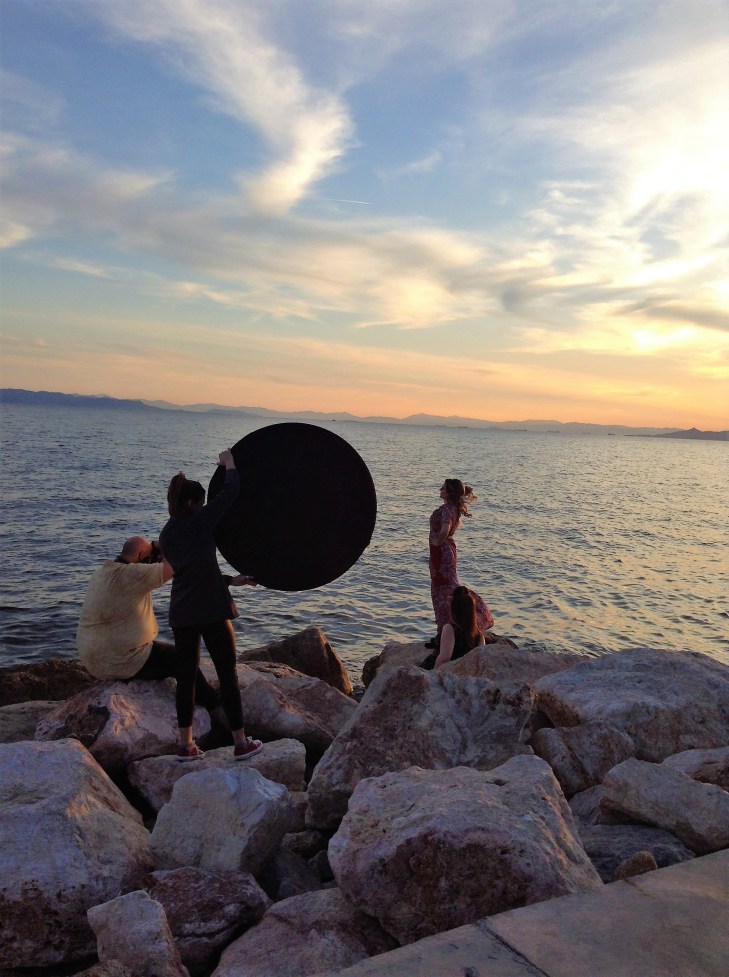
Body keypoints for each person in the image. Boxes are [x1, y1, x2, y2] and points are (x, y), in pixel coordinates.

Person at [159, 448, 262, 762]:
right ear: (192, 504)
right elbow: (231, 493)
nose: (204, 506)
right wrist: (230, 464)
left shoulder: (167, 534)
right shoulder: (199, 521)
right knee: (227, 675)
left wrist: (233, 581)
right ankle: (241, 743)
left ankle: (185, 745)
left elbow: (195, 570)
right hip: (212, 611)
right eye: (201, 502)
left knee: (186, 679)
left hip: (182, 612)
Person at [76, 535, 221, 717]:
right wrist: (164, 544)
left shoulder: (103, 572)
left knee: (162, 651)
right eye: (153, 554)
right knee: (181, 657)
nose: (156, 559)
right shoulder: (131, 574)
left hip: (93, 661)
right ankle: (214, 707)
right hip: (121, 661)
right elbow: (174, 566)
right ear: (143, 555)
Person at [428, 478, 493, 641]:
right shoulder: (453, 508)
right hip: (447, 551)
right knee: (448, 588)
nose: (440, 490)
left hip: (442, 553)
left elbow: (445, 529)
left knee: (442, 589)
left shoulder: (445, 510)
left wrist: (436, 541)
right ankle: (456, 625)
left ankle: (446, 631)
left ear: (449, 492)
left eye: (442, 488)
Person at [432, 586, 486, 669]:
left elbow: (444, 658)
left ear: (453, 611)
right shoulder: (479, 636)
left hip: (447, 672)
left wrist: (432, 676)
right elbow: (480, 660)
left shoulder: (449, 629)